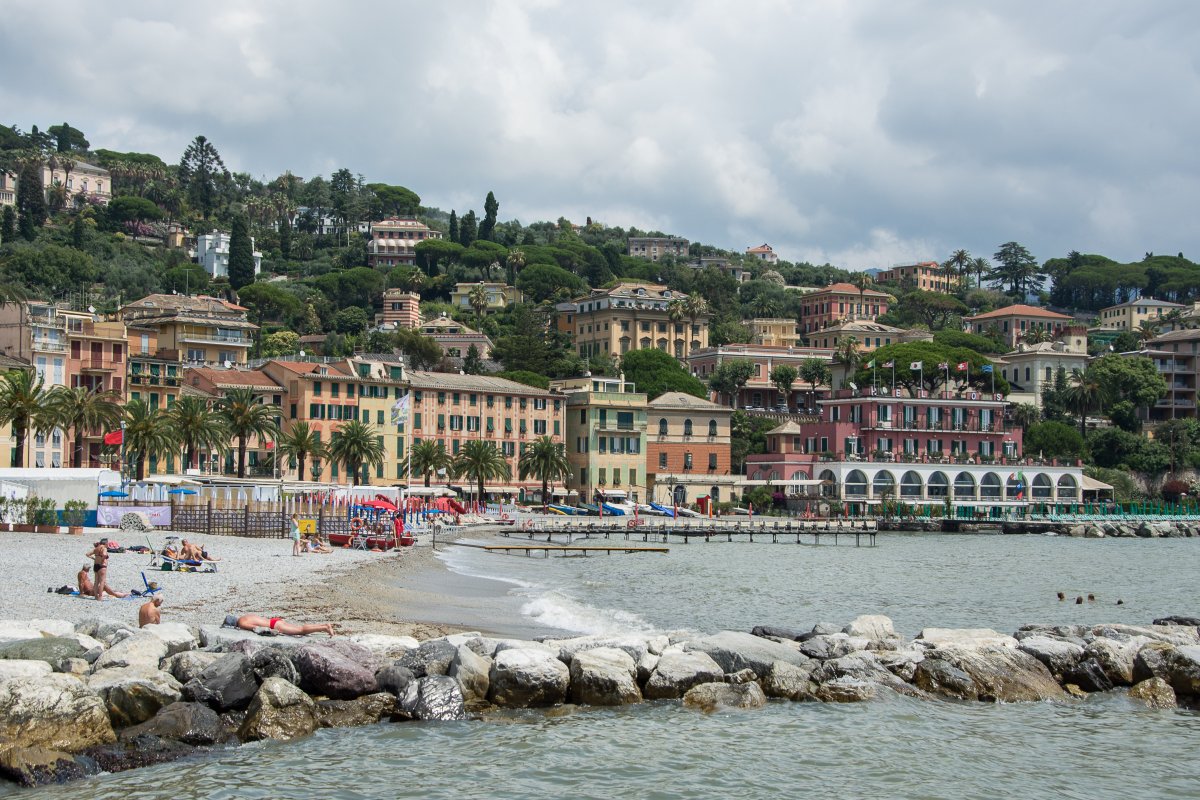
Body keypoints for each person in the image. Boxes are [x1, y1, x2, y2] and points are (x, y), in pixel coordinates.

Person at [234, 614, 334, 637]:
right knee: (300, 627)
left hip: (275, 626)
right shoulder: (245, 616)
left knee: (301, 630)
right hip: (275, 620)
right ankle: (324, 625)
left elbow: (256, 628)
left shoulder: (241, 623)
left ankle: (324, 628)